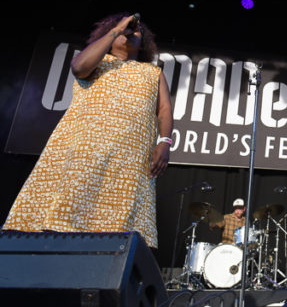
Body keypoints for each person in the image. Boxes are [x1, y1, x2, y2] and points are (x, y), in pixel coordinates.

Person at [3, 13, 172, 248]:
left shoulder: (153, 73)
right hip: (84, 148)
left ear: (143, 43)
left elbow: (164, 109)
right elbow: (79, 67)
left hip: (129, 156)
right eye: (126, 29)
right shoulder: (97, 61)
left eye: (136, 31)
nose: (131, 32)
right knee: (69, 208)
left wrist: (164, 142)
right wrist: (118, 28)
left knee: (120, 221)